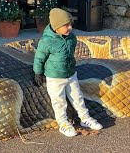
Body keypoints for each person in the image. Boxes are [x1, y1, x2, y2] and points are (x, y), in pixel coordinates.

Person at [33, 8, 103, 137]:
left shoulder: (72, 38)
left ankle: (85, 118)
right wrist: (37, 72)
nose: (70, 27)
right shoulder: (46, 41)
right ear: (56, 26)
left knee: (78, 97)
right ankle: (63, 123)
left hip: (71, 74)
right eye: (66, 25)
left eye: (71, 24)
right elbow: (39, 58)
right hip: (54, 77)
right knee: (59, 101)